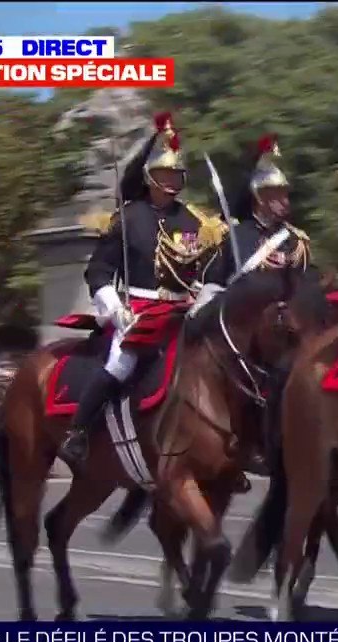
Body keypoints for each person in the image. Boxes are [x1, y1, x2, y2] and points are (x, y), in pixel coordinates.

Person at [57, 112, 233, 465]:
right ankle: (78, 432)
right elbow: (98, 272)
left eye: (176, 174)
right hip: (139, 310)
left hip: (187, 310)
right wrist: (116, 310)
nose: (172, 180)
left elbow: (209, 266)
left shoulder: (196, 221)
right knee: (121, 363)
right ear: (151, 177)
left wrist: (205, 293)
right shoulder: (128, 218)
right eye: (165, 174)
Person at [229, 134, 312, 276]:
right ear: (260, 197)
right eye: (278, 195)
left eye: (285, 194)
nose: (286, 201)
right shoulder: (236, 237)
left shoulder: (295, 241)